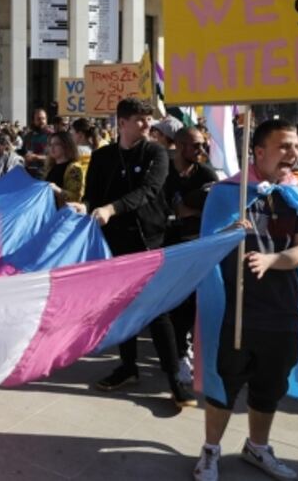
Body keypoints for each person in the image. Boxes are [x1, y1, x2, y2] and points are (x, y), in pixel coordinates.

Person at [193, 119, 298, 481]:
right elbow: (206, 247)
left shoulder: (297, 195)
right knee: (223, 385)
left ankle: (257, 447)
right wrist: (230, 234)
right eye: (284, 146)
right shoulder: (228, 193)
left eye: (295, 146)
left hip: (283, 314)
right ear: (259, 152)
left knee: (269, 388)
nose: (293, 153)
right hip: (236, 313)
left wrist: (273, 260)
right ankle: (210, 451)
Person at [82, 98, 191, 406]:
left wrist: (110, 208)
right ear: (122, 123)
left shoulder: (157, 152)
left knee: (157, 311)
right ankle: (127, 367)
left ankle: (174, 379)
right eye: (140, 119)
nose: (147, 125)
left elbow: (148, 192)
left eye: (148, 119)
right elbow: (92, 197)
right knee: (121, 307)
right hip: (112, 244)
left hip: (149, 243)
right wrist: (85, 206)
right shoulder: (102, 157)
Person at [164, 127, 219, 385]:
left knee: (195, 303)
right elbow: (162, 206)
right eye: (195, 146)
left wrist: (190, 211)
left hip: (198, 246)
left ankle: (190, 351)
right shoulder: (164, 172)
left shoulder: (205, 174)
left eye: (203, 145)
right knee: (175, 304)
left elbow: (215, 208)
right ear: (179, 145)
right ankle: (178, 354)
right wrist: (180, 210)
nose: (201, 151)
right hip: (169, 248)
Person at [44, 130, 86, 206]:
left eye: (56, 144)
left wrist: (56, 189)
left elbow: (76, 197)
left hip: (63, 214)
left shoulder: (74, 169)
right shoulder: (51, 166)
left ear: (66, 146)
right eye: (50, 144)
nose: (52, 147)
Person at [23, 108, 51, 179]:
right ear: (33, 121)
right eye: (38, 119)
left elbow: (55, 158)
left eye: (43, 118)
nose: (41, 121)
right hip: (29, 175)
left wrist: (36, 157)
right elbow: (23, 152)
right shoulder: (28, 136)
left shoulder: (52, 136)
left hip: (45, 176)